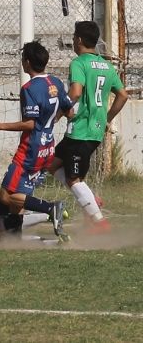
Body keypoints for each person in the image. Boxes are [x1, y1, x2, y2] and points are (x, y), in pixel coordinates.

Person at [48, 21, 128, 234]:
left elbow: (74, 93)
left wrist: (60, 112)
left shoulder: (79, 63)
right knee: (53, 164)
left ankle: (100, 223)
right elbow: (123, 95)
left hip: (81, 130)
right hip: (94, 130)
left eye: (74, 37)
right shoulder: (106, 65)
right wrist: (107, 119)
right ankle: (90, 198)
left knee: (74, 179)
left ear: (79, 40)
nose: (73, 41)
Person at [0, 40, 72, 238]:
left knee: (6, 196)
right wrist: (50, 122)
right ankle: (16, 238)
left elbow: (31, 124)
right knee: (20, 200)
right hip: (48, 147)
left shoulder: (29, 89)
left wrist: (0, 126)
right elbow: (69, 111)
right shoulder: (56, 82)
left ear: (27, 62)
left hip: (30, 149)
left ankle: (51, 209)